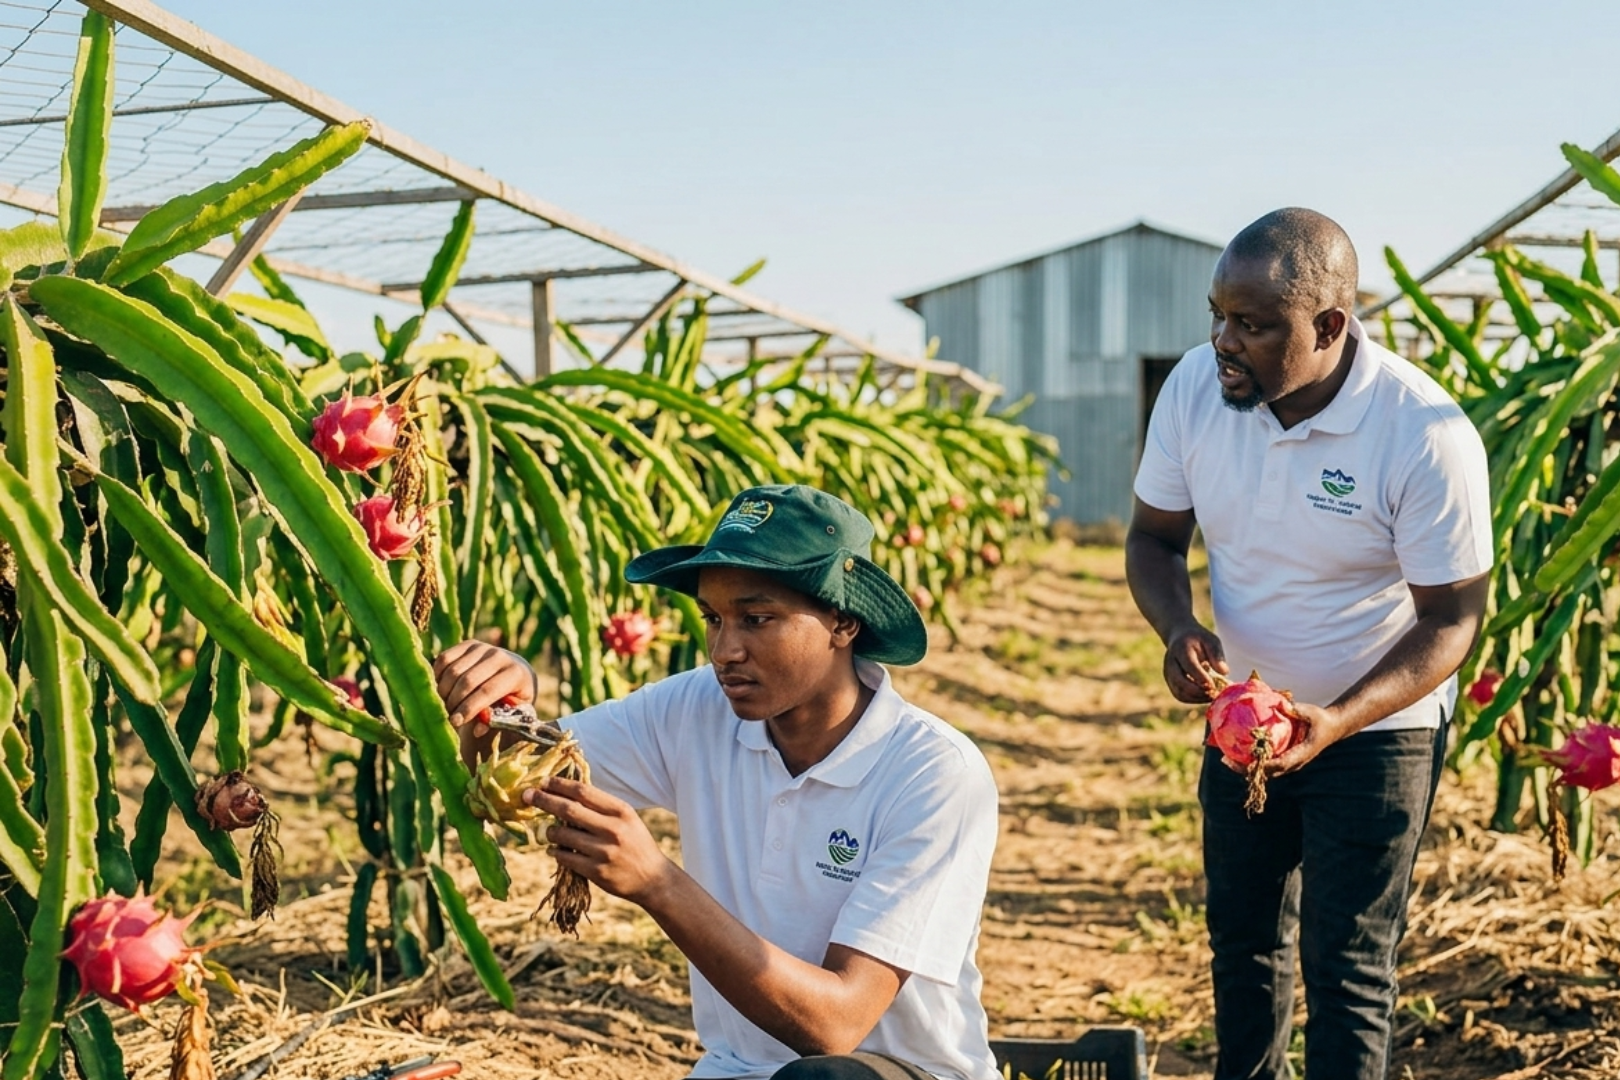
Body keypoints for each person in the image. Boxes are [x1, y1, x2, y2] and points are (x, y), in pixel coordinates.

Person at [434, 484, 1000, 1080]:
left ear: (843, 622)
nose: (726, 650)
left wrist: (657, 884)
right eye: (713, 618)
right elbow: (511, 771)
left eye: (757, 619)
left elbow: (836, 1027)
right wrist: (508, 696)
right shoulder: (695, 709)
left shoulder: (932, 775)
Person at [1125, 208, 1492, 1080]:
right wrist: (1178, 626)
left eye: (1251, 325)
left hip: (1375, 733)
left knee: (1349, 969)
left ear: (1330, 326)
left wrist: (1335, 719)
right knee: (1243, 947)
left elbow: (1452, 620)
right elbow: (1153, 540)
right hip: (1245, 723)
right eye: (1216, 314)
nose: (1222, 340)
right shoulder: (1193, 391)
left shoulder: (1421, 432)